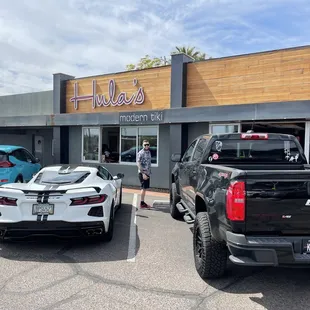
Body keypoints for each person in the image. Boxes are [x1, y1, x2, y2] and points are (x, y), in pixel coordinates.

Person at [137, 140, 152, 209]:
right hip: (143, 173)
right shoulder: (141, 153)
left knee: (145, 188)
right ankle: (142, 203)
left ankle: (143, 202)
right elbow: (138, 163)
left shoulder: (148, 152)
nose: (146, 146)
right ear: (142, 145)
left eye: (147, 144)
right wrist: (143, 173)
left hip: (147, 173)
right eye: (145, 145)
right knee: (143, 188)